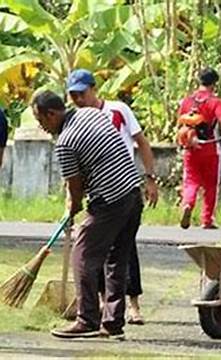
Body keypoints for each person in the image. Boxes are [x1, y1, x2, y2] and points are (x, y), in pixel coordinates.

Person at [32, 91, 143, 339]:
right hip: (133, 194)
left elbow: (75, 188)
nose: (42, 127)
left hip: (110, 200)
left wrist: (71, 211)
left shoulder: (66, 142)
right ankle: (113, 324)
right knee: (116, 259)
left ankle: (87, 320)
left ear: (52, 114)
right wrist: (75, 203)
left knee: (82, 255)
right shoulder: (91, 113)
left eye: (41, 121)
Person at [66, 69, 158, 325]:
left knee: (124, 252)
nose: (78, 99)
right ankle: (105, 309)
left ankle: (132, 305)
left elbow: (142, 143)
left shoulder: (117, 110)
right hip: (100, 194)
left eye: (81, 93)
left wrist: (150, 178)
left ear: (94, 89)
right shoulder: (77, 121)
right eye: (73, 95)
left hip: (123, 189)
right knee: (99, 254)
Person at [177, 68, 221, 230]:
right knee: (210, 184)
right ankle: (207, 220)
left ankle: (187, 204)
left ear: (199, 81)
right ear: (214, 83)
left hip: (191, 148)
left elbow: (179, 123)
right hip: (209, 147)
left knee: (191, 181)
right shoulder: (215, 101)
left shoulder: (187, 101)